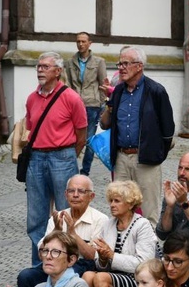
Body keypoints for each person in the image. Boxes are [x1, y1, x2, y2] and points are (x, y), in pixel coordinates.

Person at [99, 46, 175, 227]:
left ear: (139, 66)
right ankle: (123, 250)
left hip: (146, 159)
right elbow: (105, 124)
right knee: (120, 207)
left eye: (125, 63)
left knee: (149, 211)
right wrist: (109, 106)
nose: (121, 68)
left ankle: (149, 252)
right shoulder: (117, 92)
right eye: (120, 63)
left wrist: (156, 155)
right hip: (121, 158)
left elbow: (168, 130)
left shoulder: (156, 91)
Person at [24, 52, 88, 266]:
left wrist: (68, 155)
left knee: (65, 212)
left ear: (58, 71)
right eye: (38, 66)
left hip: (62, 156)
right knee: (36, 217)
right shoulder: (32, 98)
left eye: (45, 67)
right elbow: (30, 128)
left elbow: (81, 133)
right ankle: (38, 265)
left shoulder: (71, 97)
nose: (40, 70)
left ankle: (67, 263)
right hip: (36, 158)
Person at [17, 174, 108, 287]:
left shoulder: (100, 219)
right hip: (54, 263)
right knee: (25, 276)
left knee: (65, 275)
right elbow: (41, 253)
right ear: (66, 194)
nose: (75, 195)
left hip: (81, 265)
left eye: (81, 191)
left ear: (91, 196)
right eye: (71, 191)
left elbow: (94, 256)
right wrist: (56, 232)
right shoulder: (58, 217)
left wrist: (73, 234)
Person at [83, 181, 157, 287]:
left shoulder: (142, 224)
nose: (112, 205)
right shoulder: (109, 224)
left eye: (117, 201)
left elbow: (144, 263)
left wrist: (111, 255)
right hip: (114, 276)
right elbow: (100, 264)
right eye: (111, 200)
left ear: (130, 204)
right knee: (88, 275)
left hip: (136, 279)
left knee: (100, 277)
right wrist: (103, 258)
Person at [65, 32, 108, 176]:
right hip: (74, 105)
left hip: (92, 105)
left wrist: (102, 103)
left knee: (88, 139)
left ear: (90, 43)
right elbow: (68, 84)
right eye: (78, 41)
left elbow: (103, 84)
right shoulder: (70, 62)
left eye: (83, 41)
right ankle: (71, 166)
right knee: (72, 138)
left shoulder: (98, 61)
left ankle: (85, 170)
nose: (80, 44)